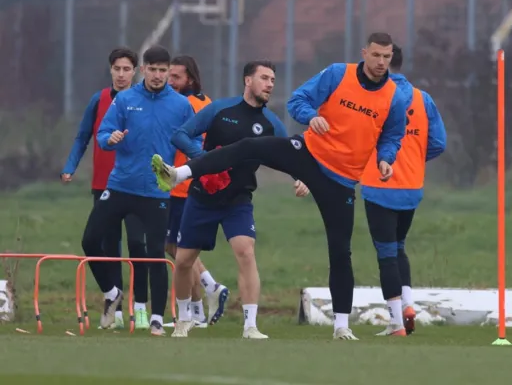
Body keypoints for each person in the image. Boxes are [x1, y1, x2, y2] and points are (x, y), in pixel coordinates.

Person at [151, 32, 412, 340]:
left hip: (341, 179)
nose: (382, 62)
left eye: (387, 57)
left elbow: (392, 136)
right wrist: (311, 116)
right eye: (377, 55)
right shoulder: (338, 74)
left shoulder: (395, 95)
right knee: (250, 145)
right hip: (309, 153)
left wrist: (385, 158)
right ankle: (179, 174)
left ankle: (341, 327)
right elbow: (298, 100)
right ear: (364, 53)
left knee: (341, 250)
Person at [154, 59, 309, 339]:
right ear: (248, 81)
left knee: (246, 253)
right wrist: (206, 160)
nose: (270, 84)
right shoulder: (220, 110)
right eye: (264, 78)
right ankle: (183, 319)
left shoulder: (270, 122)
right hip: (202, 196)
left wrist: (299, 177)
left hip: (238, 199)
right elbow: (181, 135)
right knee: (184, 261)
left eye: (273, 79)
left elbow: (290, 156)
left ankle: (250, 326)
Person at [80, 45, 195, 336]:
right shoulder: (126, 100)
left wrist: (200, 160)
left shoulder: (181, 106)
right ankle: (111, 292)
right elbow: (103, 133)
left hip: (156, 191)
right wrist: (111, 138)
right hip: (120, 186)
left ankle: (157, 317)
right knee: (90, 240)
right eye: (152, 70)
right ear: (143, 70)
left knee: (154, 253)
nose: (157, 76)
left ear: (169, 72)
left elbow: (193, 141)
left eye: (162, 71)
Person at [61, 47, 150, 330]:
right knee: (108, 247)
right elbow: (82, 136)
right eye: (117, 69)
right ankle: (115, 305)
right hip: (104, 185)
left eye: (127, 69)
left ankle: (142, 309)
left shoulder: (143, 101)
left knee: (138, 243)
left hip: (137, 186)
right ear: (110, 70)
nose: (122, 74)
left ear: (135, 71)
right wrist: (70, 166)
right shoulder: (98, 100)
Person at [360, 44, 446, 336]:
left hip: (378, 185)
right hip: (411, 187)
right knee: (398, 248)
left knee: (385, 253)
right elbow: (438, 143)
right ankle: (408, 305)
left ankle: (397, 322)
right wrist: (413, 160)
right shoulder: (423, 99)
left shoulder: (373, 97)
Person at [166, 55, 229, 328]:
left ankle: (208, 289)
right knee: (179, 249)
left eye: (175, 77)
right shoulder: (206, 101)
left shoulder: (186, 104)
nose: (170, 82)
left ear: (189, 78)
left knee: (178, 250)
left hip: (181, 186)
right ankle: (198, 310)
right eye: (169, 76)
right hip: (190, 183)